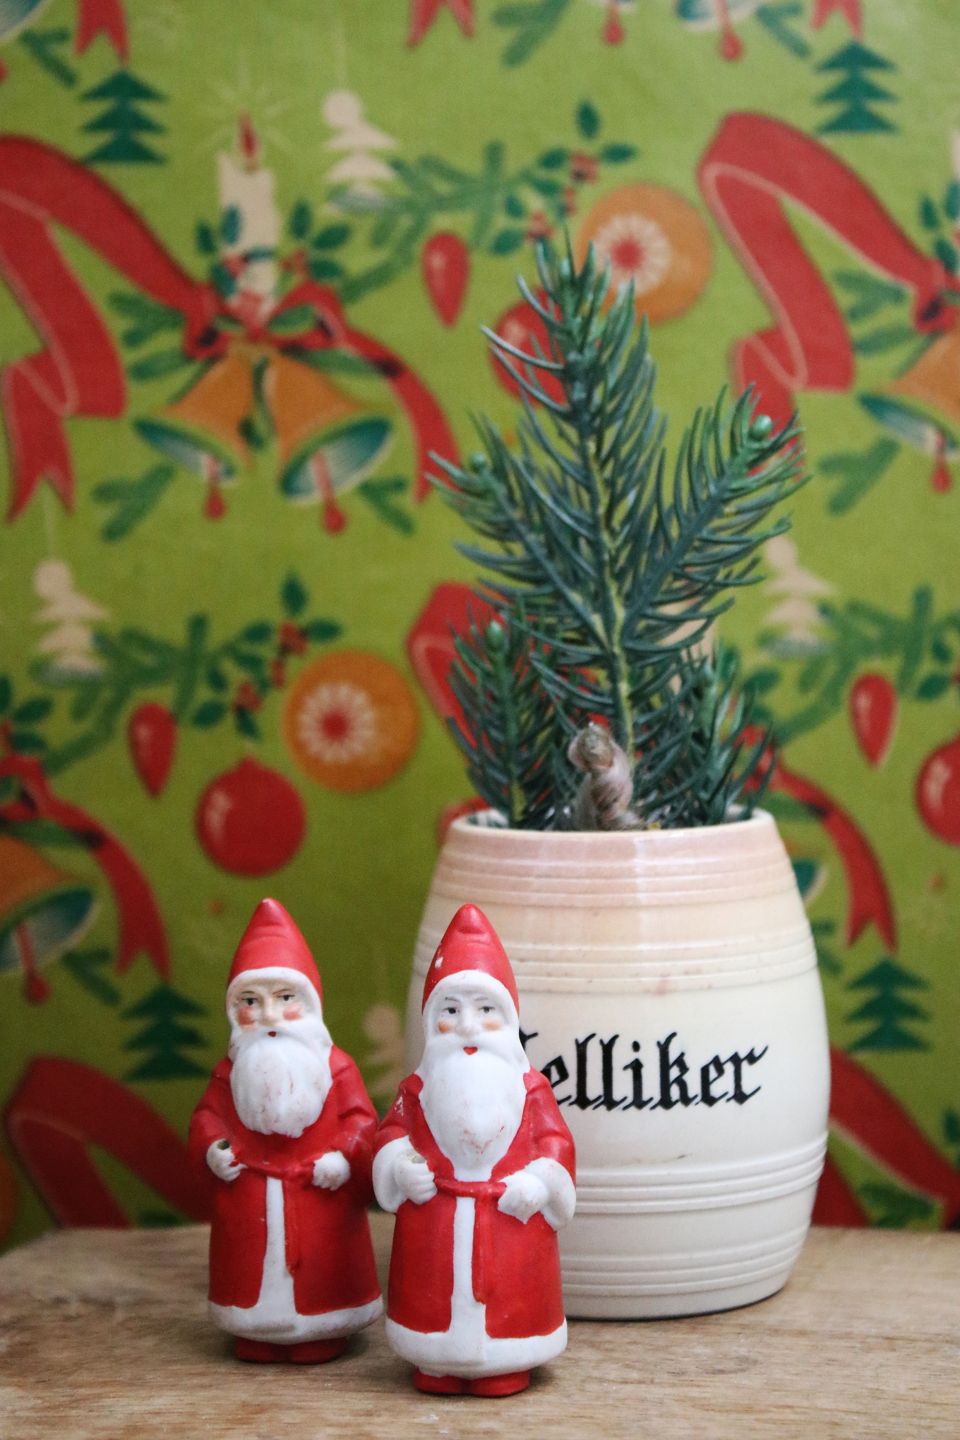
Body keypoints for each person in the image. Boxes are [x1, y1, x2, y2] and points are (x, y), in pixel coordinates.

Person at [373, 903, 575, 1396]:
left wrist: (539, 1181)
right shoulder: (416, 1090)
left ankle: (509, 1362)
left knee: (511, 1304)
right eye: (451, 1010)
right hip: (434, 1225)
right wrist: (400, 1166)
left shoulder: (529, 1088)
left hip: (509, 1223)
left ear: (508, 1018)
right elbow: (390, 1134)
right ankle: (435, 1362)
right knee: (431, 1304)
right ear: (430, 1019)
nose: (468, 1026)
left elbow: (555, 1143)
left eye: (485, 1010)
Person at [189, 897, 381, 1363]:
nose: (270, 1015)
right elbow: (207, 1119)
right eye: (251, 1001)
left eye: (285, 998)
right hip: (250, 1199)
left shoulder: (336, 1068)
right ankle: (254, 1328)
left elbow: (362, 1123)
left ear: (309, 1003)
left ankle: (323, 1328)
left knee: (321, 1271)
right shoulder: (230, 1072)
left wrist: (344, 1158)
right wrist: (214, 1148)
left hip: (318, 1199)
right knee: (252, 1269)